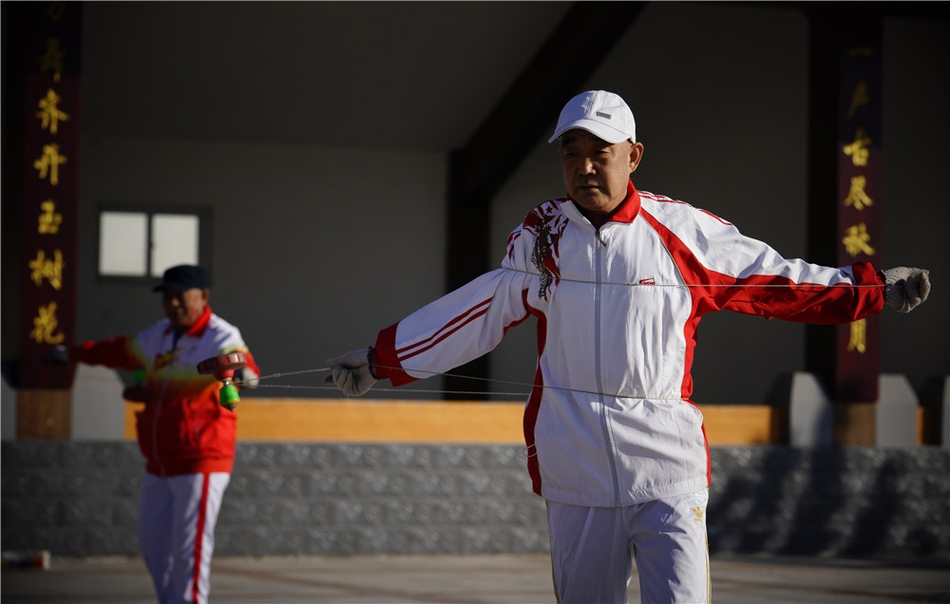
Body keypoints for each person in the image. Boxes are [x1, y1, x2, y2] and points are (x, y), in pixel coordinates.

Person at [325, 90, 931, 603]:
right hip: (576, 472)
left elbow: (777, 281)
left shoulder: (685, 233)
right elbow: (477, 312)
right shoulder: (540, 238)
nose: (585, 167)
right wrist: (382, 361)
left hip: (667, 470)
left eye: (601, 153)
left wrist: (872, 289)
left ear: (633, 156)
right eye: (572, 153)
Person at [49, 264, 260, 604]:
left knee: (189, 550)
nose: (173, 303)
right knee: (154, 547)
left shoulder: (220, 335)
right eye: (167, 296)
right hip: (158, 461)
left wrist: (244, 373)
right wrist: (70, 354)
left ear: (203, 296)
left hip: (201, 459)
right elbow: (116, 349)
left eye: (181, 296)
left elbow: (241, 363)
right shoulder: (156, 336)